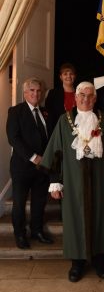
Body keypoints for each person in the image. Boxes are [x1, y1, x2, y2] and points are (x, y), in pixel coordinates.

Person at [41, 81, 104, 282]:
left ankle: (100, 259)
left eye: (90, 95)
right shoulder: (64, 121)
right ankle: (77, 262)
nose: (85, 99)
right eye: (82, 95)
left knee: (100, 216)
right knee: (75, 219)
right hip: (73, 182)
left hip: (99, 181)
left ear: (95, 98)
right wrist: (55, 182)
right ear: (75, 97)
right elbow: (55, 153)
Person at [6, 77, 53, 249]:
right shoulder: (16, 111)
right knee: (19, 202)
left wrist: (48, 159)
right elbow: (13, 139)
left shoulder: (45, 112)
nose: (36, 93)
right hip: (22, 167)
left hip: (42, 168)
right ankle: (19, 234)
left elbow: (50, 138)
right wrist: (33, 157)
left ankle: (37, 231)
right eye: (32, 90)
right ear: (25, 93)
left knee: (39, 201)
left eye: (39, 91)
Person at [45, 62, 104, 132]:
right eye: (65, 74)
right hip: (61, 129)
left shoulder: (82, 90)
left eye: (71, 74)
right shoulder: (53, 93)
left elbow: (92, 83)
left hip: (82, 129)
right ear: (61, 77)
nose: (68, 76)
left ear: (75, 76)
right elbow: (50, 116)